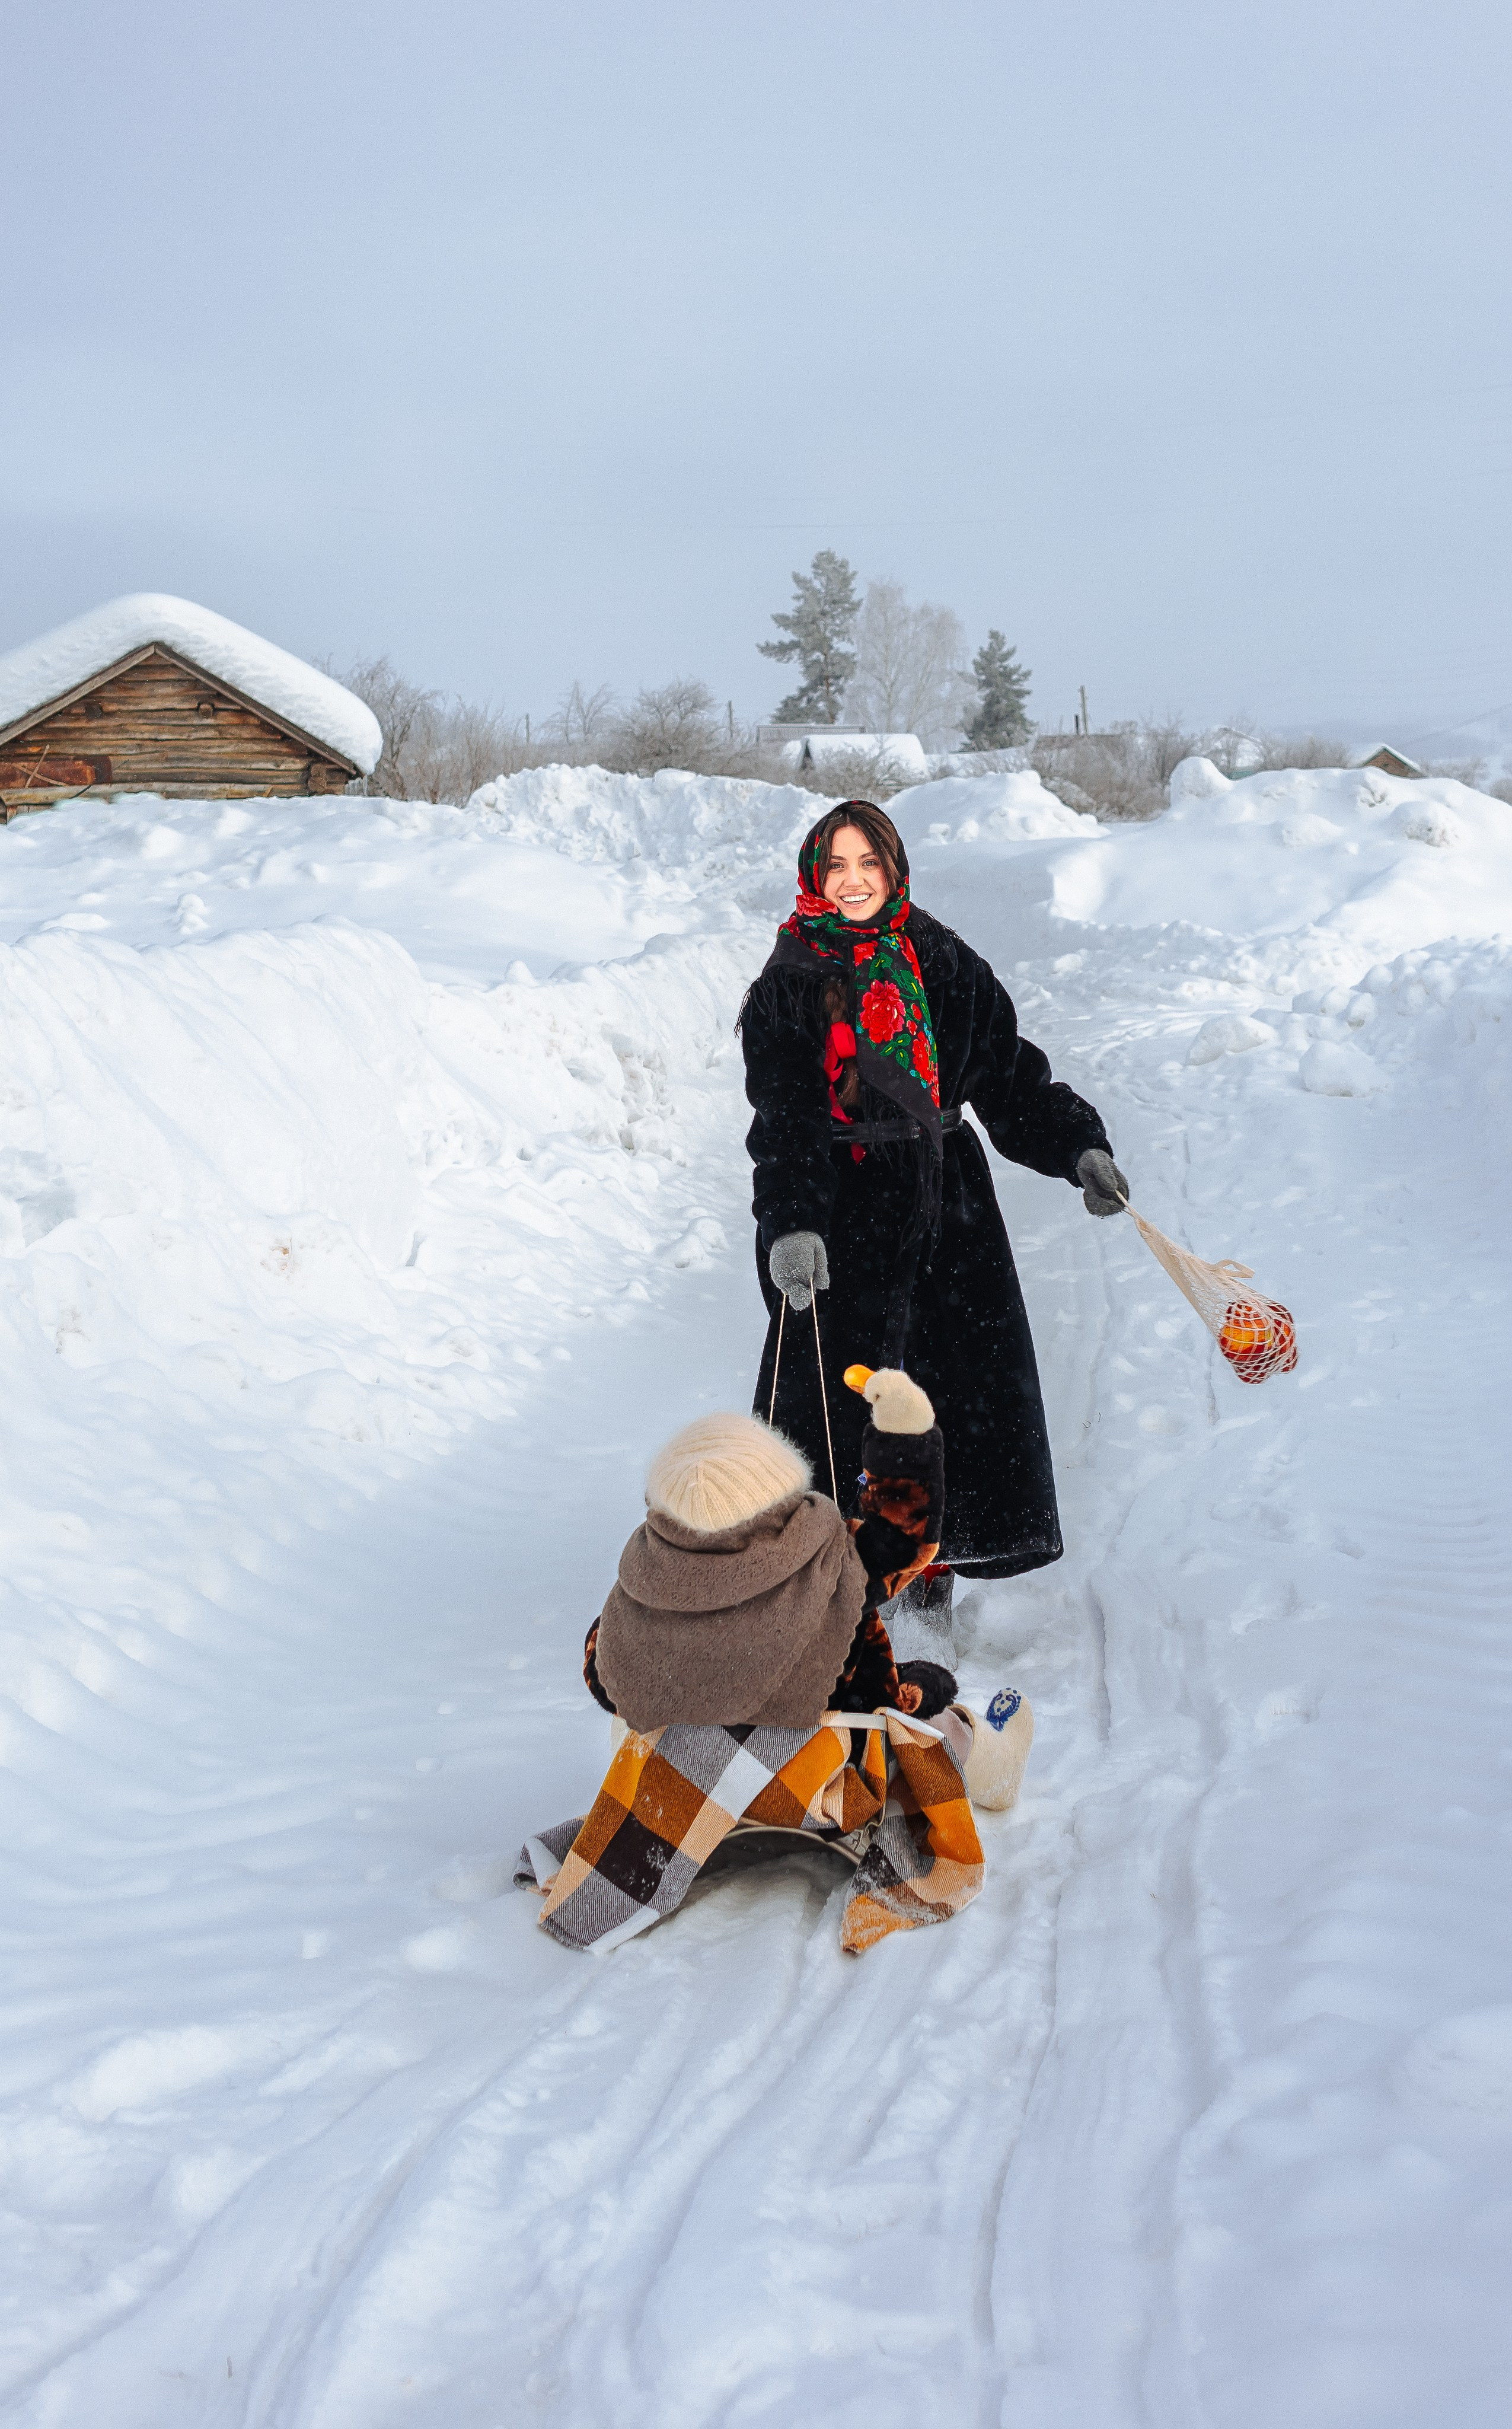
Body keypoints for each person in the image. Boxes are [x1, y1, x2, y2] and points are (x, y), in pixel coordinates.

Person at [739, 799, 1126, 1655]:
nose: (853, 881)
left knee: (943, 1399)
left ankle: (929, 1578)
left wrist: (1078, 1147)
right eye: (836, 866)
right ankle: (836, 1583)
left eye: (868, 864)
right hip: (839, 1217)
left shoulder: (943, 961)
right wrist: (793, 1223)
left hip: (946, 1212)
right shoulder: (789, 984)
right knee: (836, 1404)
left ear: (893, 868)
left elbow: (1011, 1081)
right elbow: (785, 1122)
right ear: (813, 875)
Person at [582, 1367, 957, 1730]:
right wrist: (904, 1437)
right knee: (951, 1732)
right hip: (820, 1756)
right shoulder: (828, 1565)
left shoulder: (645, 1583)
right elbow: (905, 1540)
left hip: (687, 1763)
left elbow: (608, 1681)